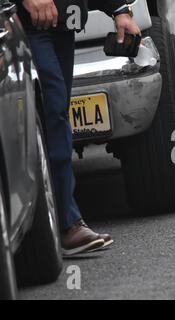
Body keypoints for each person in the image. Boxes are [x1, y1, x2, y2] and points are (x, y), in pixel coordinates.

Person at [14, 0, 141, 256]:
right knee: (52, 111)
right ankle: (65, 224)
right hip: (23, 25)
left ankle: (66, 223)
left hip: (60, 22)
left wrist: (118, 10)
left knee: (57, 113)